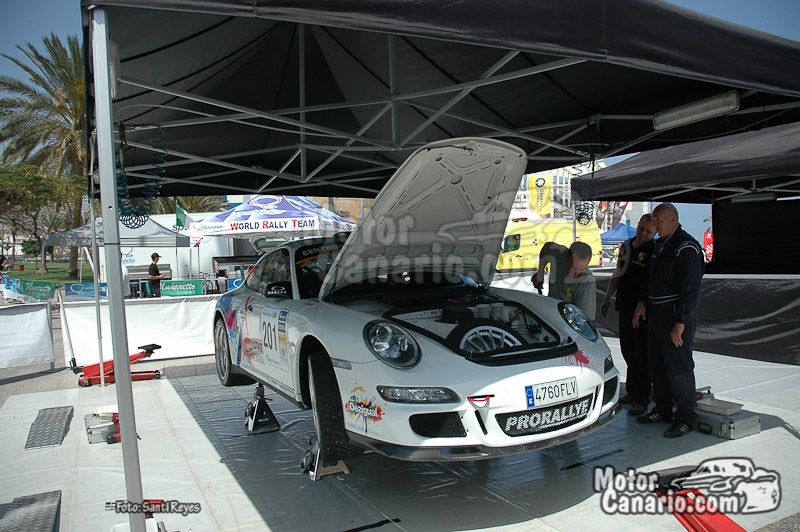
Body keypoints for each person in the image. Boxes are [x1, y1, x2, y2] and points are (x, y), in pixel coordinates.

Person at [632, 203, 703, 438]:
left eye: (659, 220)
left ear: (673, 220)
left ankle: (686, 416)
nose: (655, 224)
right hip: (656, 312)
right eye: (653, 219)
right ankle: (662, 408)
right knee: (657, 364)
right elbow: (650, 277)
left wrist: (681, 321)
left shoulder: (686, 247)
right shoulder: (659, 245)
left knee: (678, 367)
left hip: (674, 314)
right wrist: (643, 302)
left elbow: (691, 289)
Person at [600, 215, 656, 416]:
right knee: (628, 351)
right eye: (641, 229)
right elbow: (618, 272)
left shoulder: (654, 250)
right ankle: (632, 391)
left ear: (655, 232)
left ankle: (643, 396)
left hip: (642, 309)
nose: (643, 233)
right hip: (624, 304)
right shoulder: (626, 246)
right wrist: (607, 298)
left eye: (648, 231)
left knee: (642, 353)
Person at [531, 241, 596, 318]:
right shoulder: (559, 253)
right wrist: (540, 273)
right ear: (566, 257)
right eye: (573, 267)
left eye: (582, 269)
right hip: (550, 309)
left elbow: (584, 320)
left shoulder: (587, 283)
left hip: (566, 320)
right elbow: (547, 248)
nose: (576, 272)